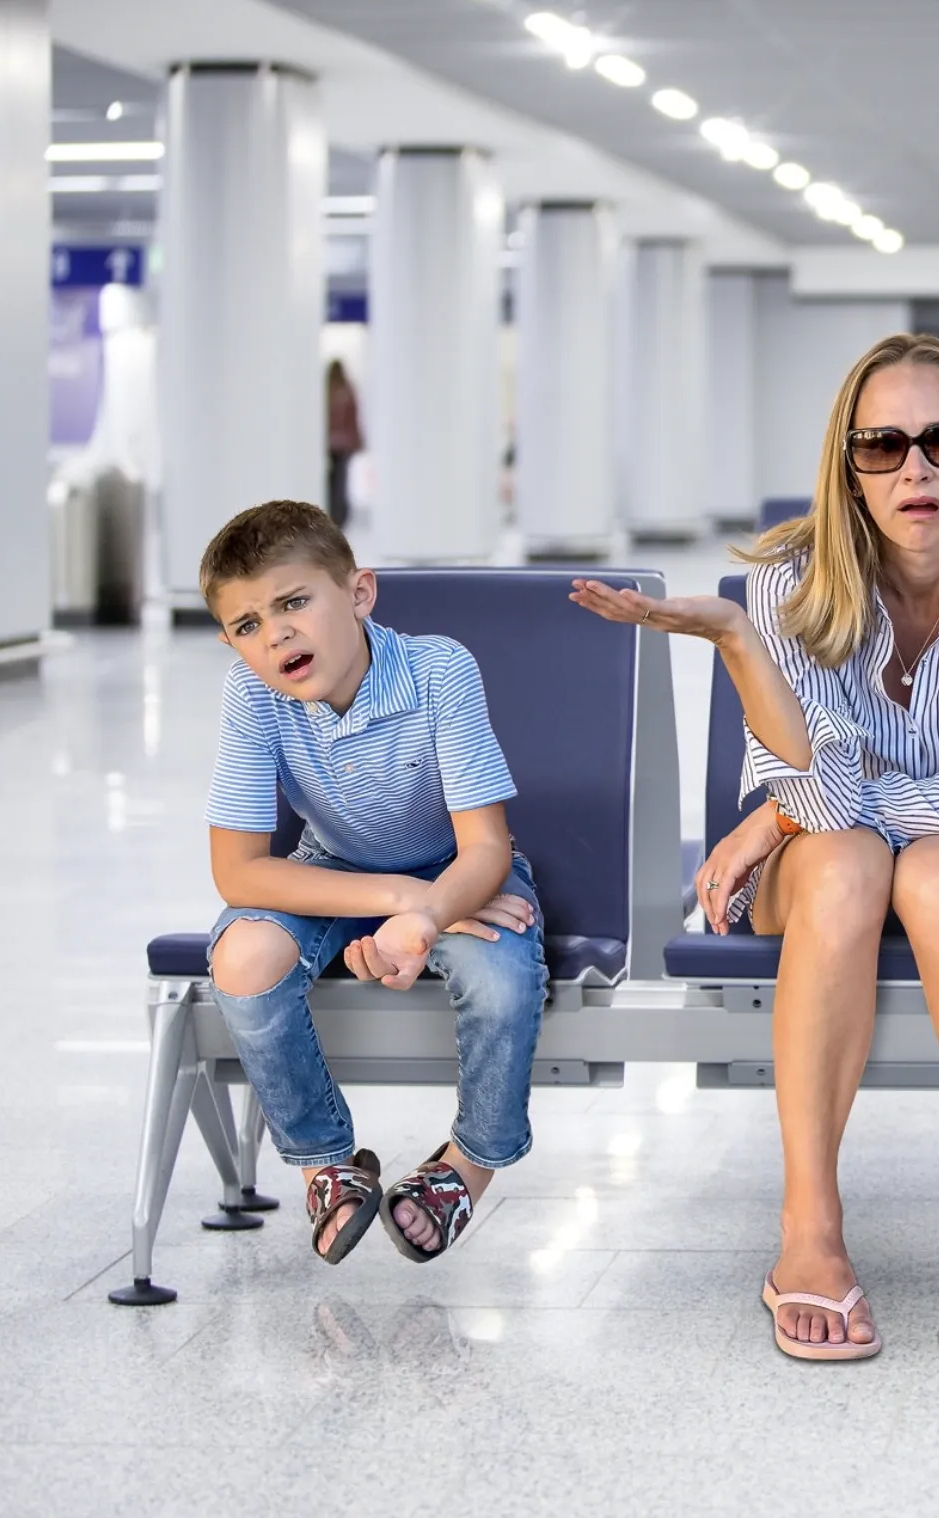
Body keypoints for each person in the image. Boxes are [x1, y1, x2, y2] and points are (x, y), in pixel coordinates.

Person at [570, 334, 939, 1362]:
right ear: (846, 466)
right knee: (849, 860)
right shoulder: (783, 586)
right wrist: (737, 646)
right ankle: (808, 1230)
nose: (917, 471)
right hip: (822, 861)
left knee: (930, 875)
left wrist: (775, 813)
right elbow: (827, 792)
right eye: (883, 447)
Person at [199, 500, 548, 1267]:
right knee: (242, 961)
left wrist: (426, 917)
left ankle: (467, 1165)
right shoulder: (251, 695)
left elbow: (486, 848)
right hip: (340, 877)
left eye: (294, 603)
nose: (277, 634)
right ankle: (327, 1163)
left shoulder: (438, 669)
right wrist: (397, 902)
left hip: (459, 875)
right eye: (249, 625)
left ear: (359, 594)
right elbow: (238, 872)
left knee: (500, 982)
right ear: (231, 642)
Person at [326, 360, 363, 529]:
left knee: (334, 480)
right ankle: (339, 516)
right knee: (340, 480)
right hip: (342, 445)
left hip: (331, 444)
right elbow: (353, 420)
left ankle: (336, 514)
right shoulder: (346, 390)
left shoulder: (327, 391)